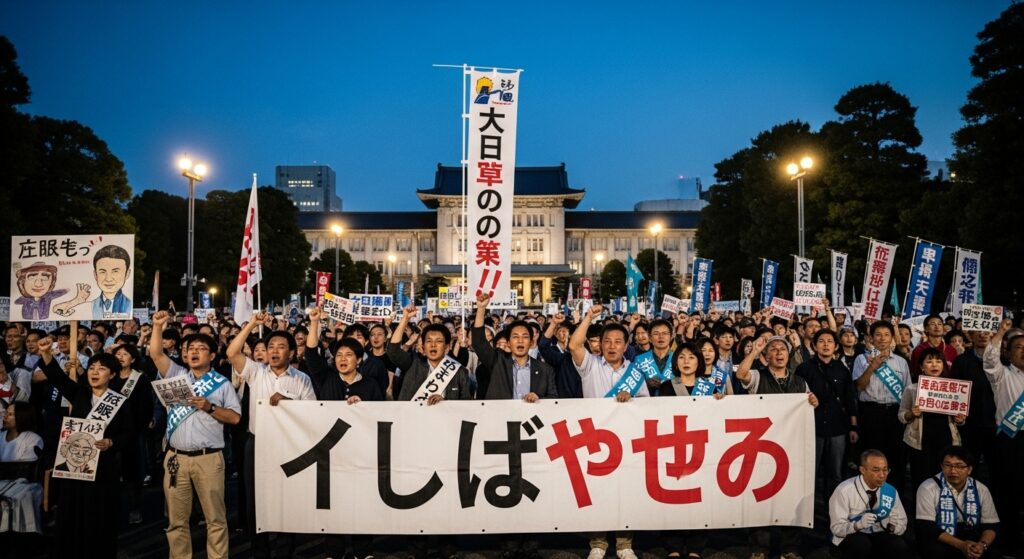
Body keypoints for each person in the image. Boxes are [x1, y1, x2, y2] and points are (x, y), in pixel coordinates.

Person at [149, 310, 242, 559]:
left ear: (211, 355)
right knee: (176, 520)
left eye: (200, 348)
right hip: (176, 457)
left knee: (215, 518)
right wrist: (157, 326)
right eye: (190, 348)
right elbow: (156, 354)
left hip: (208, 458)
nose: (193, 351)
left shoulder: (221, 384)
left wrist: (209, 407)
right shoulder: (177, 375)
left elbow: (234, 418)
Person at [226, 310, 317, 559]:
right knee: (256, 500)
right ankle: (260, 550)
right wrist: (253, 324)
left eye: (281, 347)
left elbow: (313, 413)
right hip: (258, 444)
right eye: (271, 346)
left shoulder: (302, 380)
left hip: (289, 446)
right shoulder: (256, 373)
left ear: (292, 352)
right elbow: (232, 353)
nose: (275, 351)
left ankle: (286, 550)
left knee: (287, 499)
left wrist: (288, 402)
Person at [37, 335, 136, 558]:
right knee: (71, 512)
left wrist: (112, 442)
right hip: (74, 467)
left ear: (111, 375)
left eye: (101, 369)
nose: (94, 372)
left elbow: (129, 433)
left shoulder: (120, 401)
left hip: (103, 468)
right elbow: (58, 379)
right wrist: (46, 353)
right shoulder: (80, 394)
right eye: (92, 367)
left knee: (98, 515)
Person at [304, 308, 383, 559]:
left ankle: (363, 549)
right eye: (339, 354)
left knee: (361, 502)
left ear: (359, 359)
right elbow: (310, 354)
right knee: (334, 503)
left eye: (349, 355)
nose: (343, 359)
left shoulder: (370, 385)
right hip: (330, 453)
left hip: (361, 453)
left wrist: (365, 409)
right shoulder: (325, 377)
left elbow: (383, 417)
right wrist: (314, 323)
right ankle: (333, 550)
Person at [569, 304, 645, 559]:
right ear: (600, 344)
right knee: (597, 492)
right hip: (594, 439)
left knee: (626, 491)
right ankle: (598, 542)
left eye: (618, 342)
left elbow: (648, 408)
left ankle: (624, 543)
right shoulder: (590, 365)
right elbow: (574, 346)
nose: (612, 346)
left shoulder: (635, 374)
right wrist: (589, 317)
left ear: (626, 345)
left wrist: (632, 399)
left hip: (626, 441)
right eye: (607, 341)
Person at [796, 328, 859, 500]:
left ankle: (834, 510)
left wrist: (853, 426)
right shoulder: (804, 369)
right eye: (821, 341)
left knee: (836, 473)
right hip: (811, 427)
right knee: (810, 473)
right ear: (814, 346)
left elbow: (850, 399)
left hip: (838, 427)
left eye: (829, 341)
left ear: (836, 346)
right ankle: (808, 511)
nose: (825, 345)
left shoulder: (842, 369)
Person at [852, 320, 911, 497]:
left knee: (895, 460)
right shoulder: (862, 359)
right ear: (871, 338)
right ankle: (868, 500)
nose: (882, 338)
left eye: (886, 335)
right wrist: (872, 367)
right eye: (878, 335)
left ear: (892, 338)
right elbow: (859, 387)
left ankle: (893, 502)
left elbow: (907, 391)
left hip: (894, 414)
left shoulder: (901, 362)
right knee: (871, 459)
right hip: (871, 413)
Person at [915, 446, 1000, 558]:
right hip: (942, 537)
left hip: (972, 535)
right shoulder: (928, 487)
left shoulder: (980, 489)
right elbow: (927, 527)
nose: (953, 471)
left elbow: (991, 525)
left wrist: (982, 545)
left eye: (959, 466)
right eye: (948, 465)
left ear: (969, 469)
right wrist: (961, 545)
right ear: (941, 466)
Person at [982, 322, 1024, 552]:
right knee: (1008, 493)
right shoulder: (1002, 376)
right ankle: (1009, 542)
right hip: (1010, 439)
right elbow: (989, 359)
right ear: (1008, 352)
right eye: (1019, 346)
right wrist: (999, 333)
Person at [899, 347, 965, 491]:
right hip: (919, 442)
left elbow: (960, 420)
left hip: (946, 440)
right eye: (929, 361)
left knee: (945, 482)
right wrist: (911, 413)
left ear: (943, 365)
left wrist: (960, 419)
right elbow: (901, 415)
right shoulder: (912, 389)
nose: (934, 365)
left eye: (938, 361)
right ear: (922, 366)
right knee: (921, 480)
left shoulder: (953, 388)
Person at [472, 294, 557, 402]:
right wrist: (481, 308)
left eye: (525, 337)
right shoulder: (497, 361)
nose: (520, 341)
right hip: (500, 418)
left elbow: (554, 401)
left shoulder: (546, 370)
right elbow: (479, 342)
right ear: (508, 343)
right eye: (515, 337)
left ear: (531, 342)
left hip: (531, 418)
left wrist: (539, 399)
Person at [828, 449, 909, 558]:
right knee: (861, 544)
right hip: (850, 537)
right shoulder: (844, 490)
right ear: (862, 470)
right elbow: (836, 528)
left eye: (885, 470)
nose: (882, 475)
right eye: (876, 470)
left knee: (898, 545)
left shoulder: (890, 491)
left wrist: (892, 528)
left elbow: (902, 521)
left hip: (878, 534)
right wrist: (857, 525)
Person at [110, 342, 154, 525]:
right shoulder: (110, 378)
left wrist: (140, 426)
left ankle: (135, 508)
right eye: (118, 353)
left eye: (125, 354)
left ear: (133, 359)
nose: (120, 357)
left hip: (133, 431)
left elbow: (146, 405)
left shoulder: (140, 378)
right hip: (112, 431)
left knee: (132, 472)